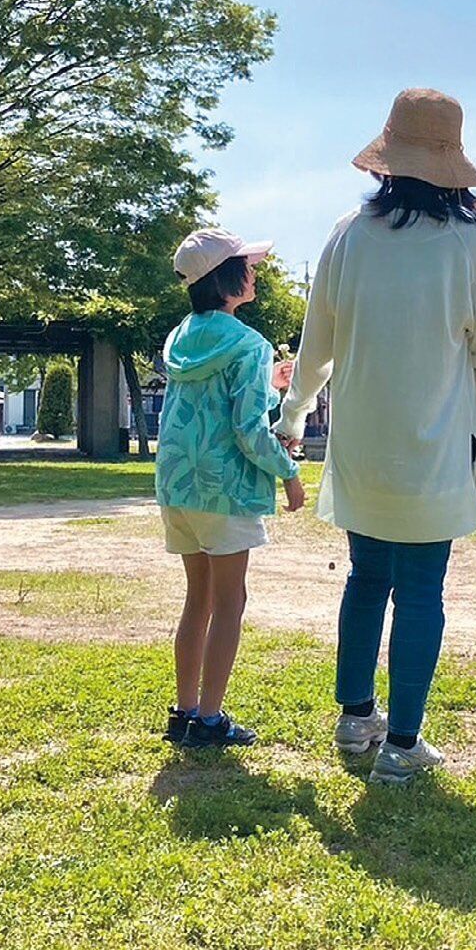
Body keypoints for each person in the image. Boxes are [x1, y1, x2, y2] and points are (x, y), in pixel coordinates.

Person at [275, 89, 476, 784]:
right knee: (422, 591)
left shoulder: (348, 233)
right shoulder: (469, 242)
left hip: (361, 442)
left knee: (367, 576)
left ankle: (356, 719)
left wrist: (292, 419)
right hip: (435, 443)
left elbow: (316, 343)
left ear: (388, 160)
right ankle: (403, 745)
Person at [155, 228, 306, 748]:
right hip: (224, 490)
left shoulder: (180, 338)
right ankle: (212, 719)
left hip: (177, 486)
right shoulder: (248, 344)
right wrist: (289, 473)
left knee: (197, 598)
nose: (255, 271)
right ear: (227, 277)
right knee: (230, 601)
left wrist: (270, 381)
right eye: (249, 264)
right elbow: (248, 430)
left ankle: (185, 711)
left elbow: (211, 406)